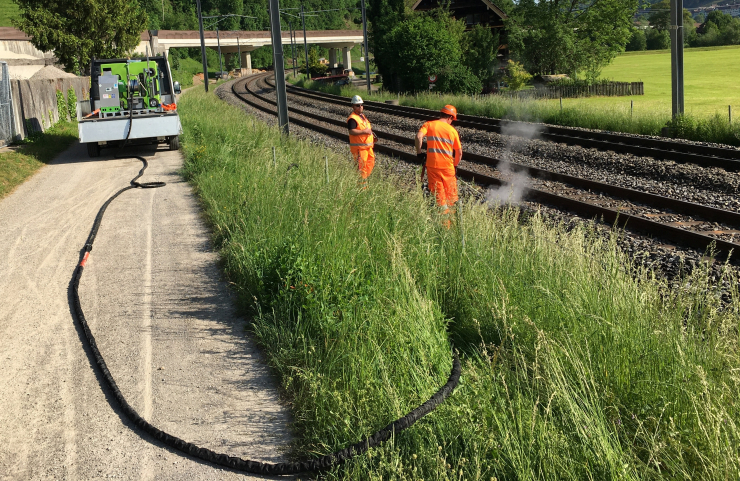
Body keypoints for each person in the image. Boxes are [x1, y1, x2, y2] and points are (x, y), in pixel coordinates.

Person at [415, 105, 462, 227]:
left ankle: (444, 226)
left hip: (433, 167)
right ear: (450, 117)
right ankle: (453, 225)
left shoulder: (429, 125)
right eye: (452, 120)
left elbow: (419, 136)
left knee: (440, 198)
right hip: (448, 168)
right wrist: (455, 166)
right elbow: (459, 152)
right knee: (451, 197)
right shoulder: (452, 131)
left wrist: (419, 153)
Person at [347, 95, 376, 186]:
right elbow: (351, 131)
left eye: (361, 105)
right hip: (360, 149)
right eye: (357, 105)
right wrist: (364, 131)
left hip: (368, 147)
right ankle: (361, 188)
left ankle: (364, 182)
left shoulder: (362, 116)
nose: (360, 107)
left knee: (370, 164)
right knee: (361, 169)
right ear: (353, 106)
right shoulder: (352, 118)